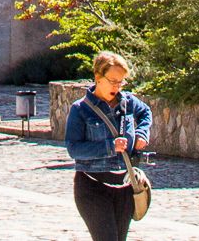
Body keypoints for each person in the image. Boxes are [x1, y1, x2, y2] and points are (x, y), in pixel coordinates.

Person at [65, 50, 151, 241]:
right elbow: (73, 149)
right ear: (98, 77)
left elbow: (145, 112)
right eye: (113, 81)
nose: (117, 86)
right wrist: (110, 146)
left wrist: (142, 133)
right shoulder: (80, 109)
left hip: (124, 188)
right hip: (92, 187)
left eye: (121, 82)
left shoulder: (128, 102)